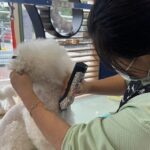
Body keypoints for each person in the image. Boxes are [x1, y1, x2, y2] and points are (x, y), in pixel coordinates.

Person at [10, 0, 150, 149]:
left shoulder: (143, 120)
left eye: (115, 59)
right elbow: (138, 81)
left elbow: (74, 143)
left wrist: (30, 101)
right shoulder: (144, 65)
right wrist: (87, 87)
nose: (116, 66)